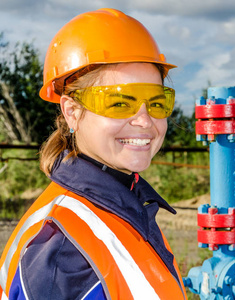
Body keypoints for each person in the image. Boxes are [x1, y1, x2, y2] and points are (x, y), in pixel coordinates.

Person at [0, 8, 187, 299]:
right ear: (72, 112)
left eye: (156, 102)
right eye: (119, 102)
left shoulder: (125, 205)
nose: (145, 120)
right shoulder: (64, 255)